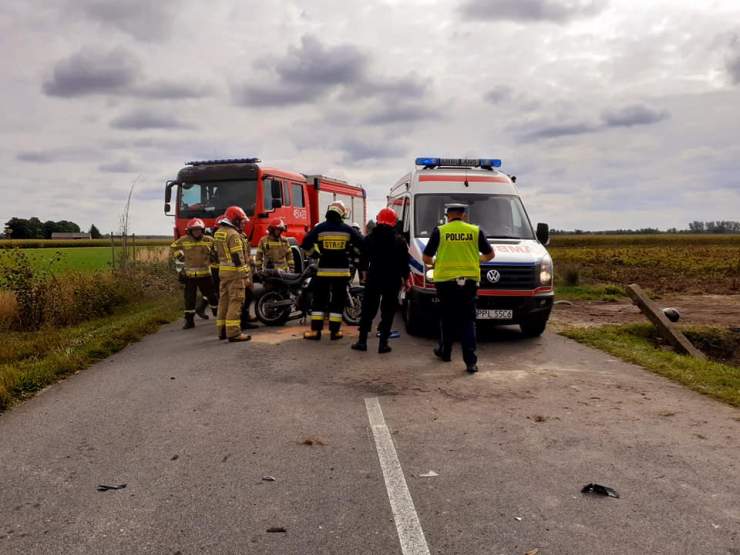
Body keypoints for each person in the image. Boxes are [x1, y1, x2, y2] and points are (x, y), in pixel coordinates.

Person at [422, 203, 494, 373]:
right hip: (469, 282)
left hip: (445, 281)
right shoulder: (475, 231)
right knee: (468, 320)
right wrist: (477, 260)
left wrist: (436, 263)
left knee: (447, 318)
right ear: (463, 215)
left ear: (447, 215)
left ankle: (445, 352)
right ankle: (470, 362)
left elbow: (426, 257)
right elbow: (490, 255)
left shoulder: (440, 231)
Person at [301, 201, 363, 341]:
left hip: (323, 272)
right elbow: (362, 244)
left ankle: (315, 332)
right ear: (341, 213)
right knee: (338, 302)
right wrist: (353, 252)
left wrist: (315, 254)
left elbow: (305, 244)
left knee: (319, 301)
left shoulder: (320, 228)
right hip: (342, 273)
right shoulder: (347, 229)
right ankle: (335, 332)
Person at [351, 208, 409, 354]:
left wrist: (364, 273)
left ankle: (362, 341)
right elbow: (404, 262)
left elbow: (363, 257)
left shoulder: (370, 238)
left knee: (368, 310)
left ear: (378, 220)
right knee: (388, 311)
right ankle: (383, 344)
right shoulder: (399, 240)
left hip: (374, 278)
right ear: (393, 222)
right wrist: (405, 279)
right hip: (392, 279)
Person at [170, 218, 218, 329]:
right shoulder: (184, 240)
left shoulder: (209, 240)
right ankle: (189, 321)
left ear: (203, 230)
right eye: (194, 230)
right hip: (190, 276)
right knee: (189, 299)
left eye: (199, 230)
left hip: (205, 275)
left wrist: (214, 256)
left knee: (212, 297)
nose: (197, 232)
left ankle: (218, 315)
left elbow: (217, 250)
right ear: (190, 231)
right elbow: (173, 247)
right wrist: (179, 255)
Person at [213, 206, 252, 342]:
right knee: (236, 301)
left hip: (223, 272)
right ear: (235, 220)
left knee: (223, 301)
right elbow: (237, 257)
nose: (243, 224)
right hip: (234, 274)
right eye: (241, 221)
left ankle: (222, 331)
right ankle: (234, 333)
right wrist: (245, 275)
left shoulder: (219, 232)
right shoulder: (234, 234)